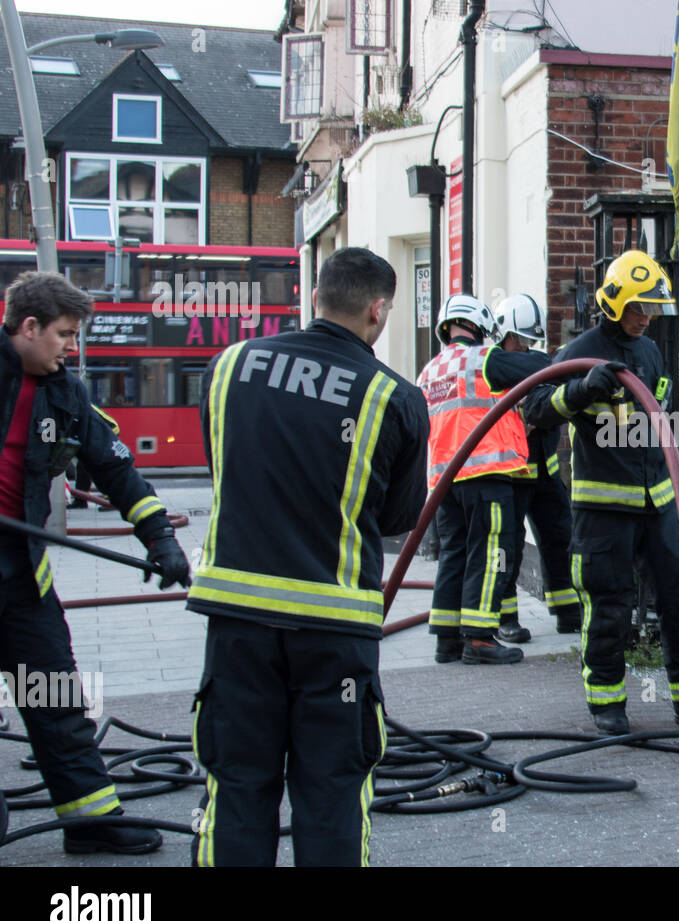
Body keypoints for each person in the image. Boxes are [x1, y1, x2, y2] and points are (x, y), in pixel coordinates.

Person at [185, 248, 428, 866]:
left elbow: (226, 471)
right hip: (334, 632)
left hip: (237, 622)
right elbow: (399, 519)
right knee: (333, 792)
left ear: (316, 296)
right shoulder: (393, 397)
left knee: (237, 785)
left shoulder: (228, 365)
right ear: (378, 309)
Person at [0, 271, 190, 855]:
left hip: (20, 579)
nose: (71, 347)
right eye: (63, 334)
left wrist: (159, 538)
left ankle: (89, 821)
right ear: (28, 327)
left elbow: (116, 470)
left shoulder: (66, 394)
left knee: (53, 695)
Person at [522, 250, 679, 736]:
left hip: (660, 504)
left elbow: (660, 416)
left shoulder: (649, 352)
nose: (645, 318)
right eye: (637, 308)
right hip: (604, 509)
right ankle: (607, 704)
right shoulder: (579, 351)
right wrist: (581, 389)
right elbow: (535, 409)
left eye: (651, 309)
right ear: (613, 304)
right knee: (609, 605)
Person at [419, 293, 544, 665]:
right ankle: (479, 639)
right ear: (480, 324)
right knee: (493, 555)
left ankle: (447, 639)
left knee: (454, 554)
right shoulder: (484, 360)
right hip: (487, 475)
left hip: (445, 481)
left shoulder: (429, 371)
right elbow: (535, 366)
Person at [492, 293, 581, 644]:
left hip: (543, 471)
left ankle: (567, 610)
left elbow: (552, 380)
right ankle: (506, 616)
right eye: (520, 339)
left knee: (560, 538)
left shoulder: (535, 363)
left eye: (530, 340)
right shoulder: (495, 364)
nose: (526, 346)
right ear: (504, 334)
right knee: (507, 546)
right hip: (509, 473)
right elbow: (547, 371)